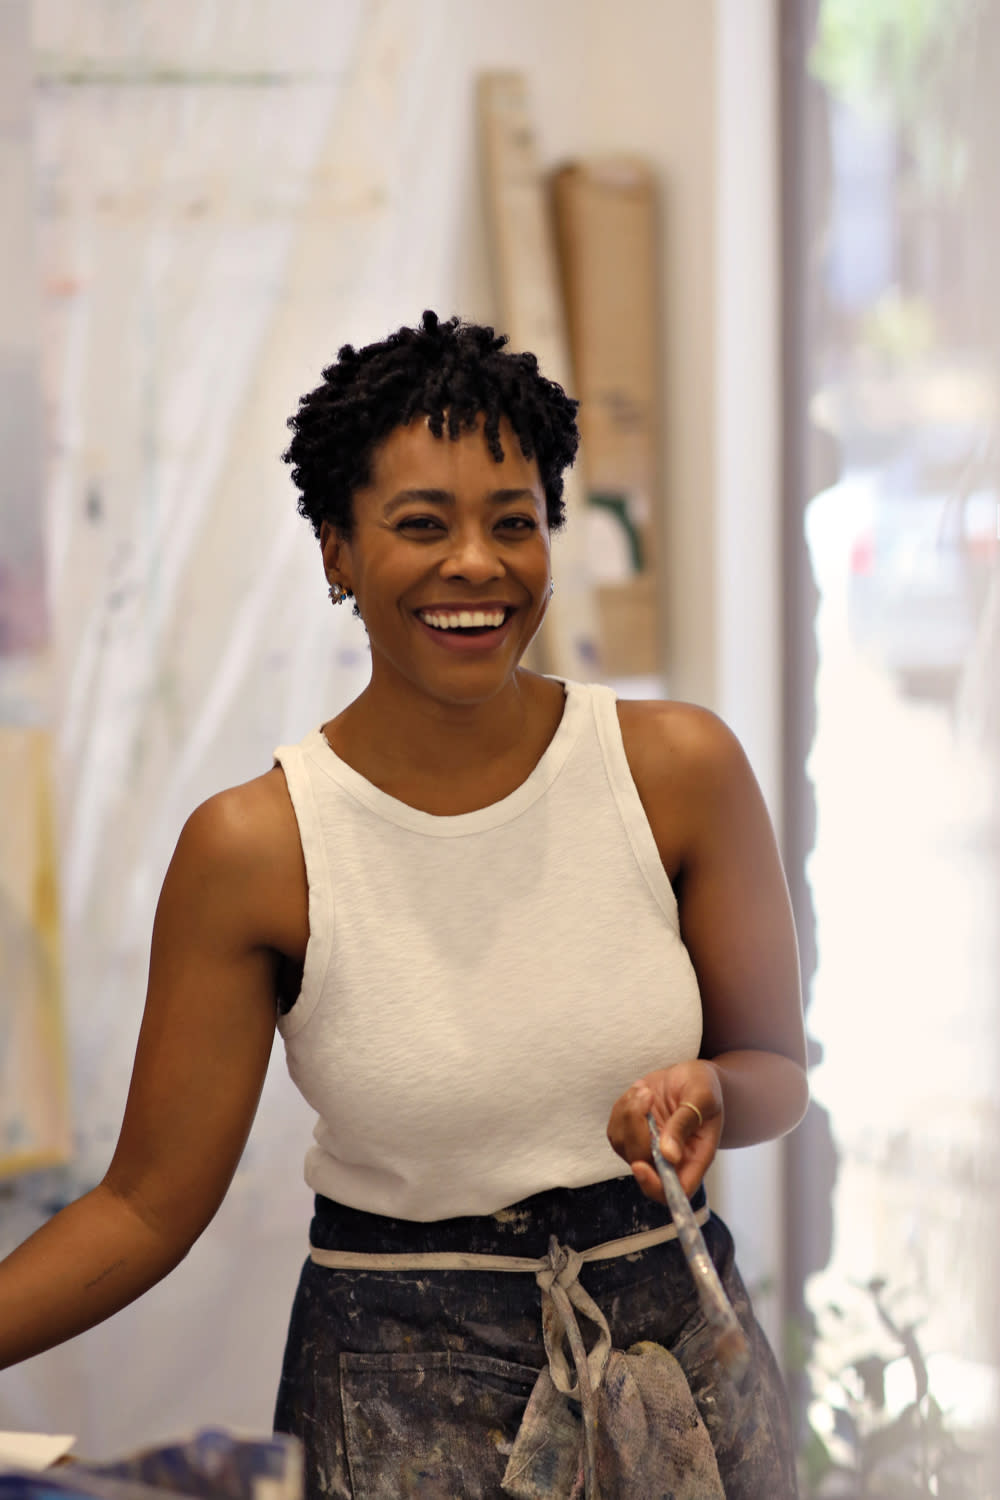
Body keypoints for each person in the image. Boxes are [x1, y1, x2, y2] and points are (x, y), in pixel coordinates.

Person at [0, 312, 809, 1498]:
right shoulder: (260, 845)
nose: (475, 564)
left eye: (513, 524)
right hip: (393, 1392)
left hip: (673, 1378)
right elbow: (142, 1205)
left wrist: (716, 1091)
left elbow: (773, 1071)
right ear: (336, 549)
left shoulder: (678, 770)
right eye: (420, 525)